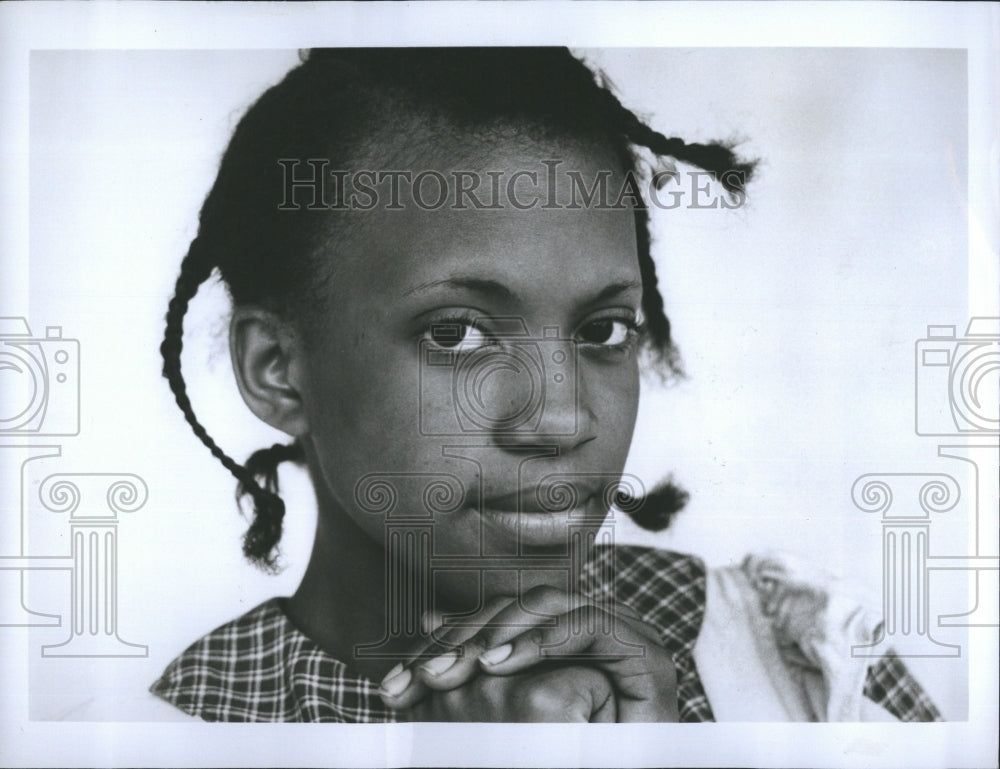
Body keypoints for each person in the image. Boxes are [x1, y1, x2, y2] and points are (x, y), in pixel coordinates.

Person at [151, 47, 940, 722]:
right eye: (457, 333)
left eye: (603, 332)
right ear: (276, 369)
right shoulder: (184, 727)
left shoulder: (794, 664)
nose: (562, 418)